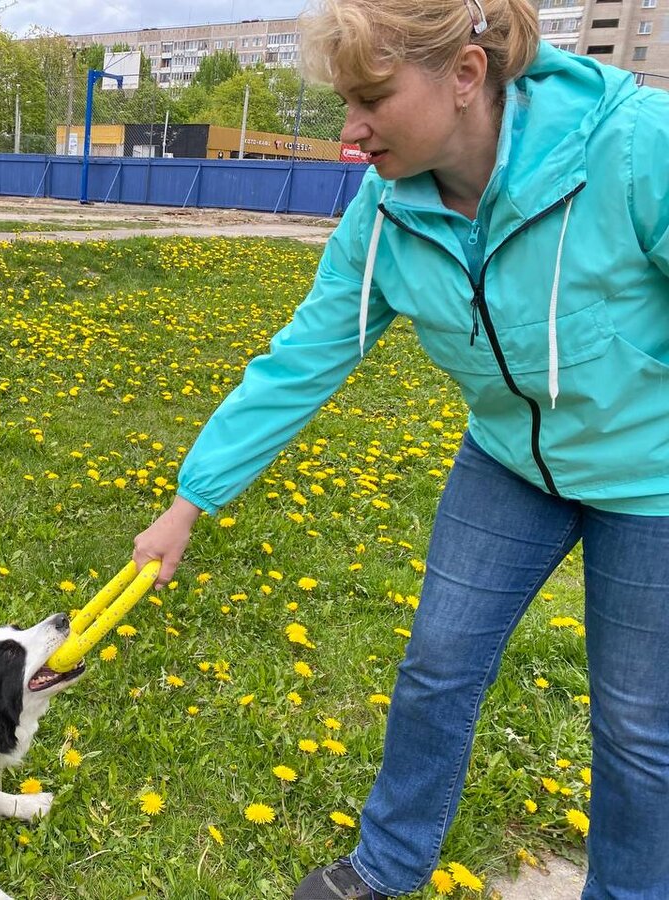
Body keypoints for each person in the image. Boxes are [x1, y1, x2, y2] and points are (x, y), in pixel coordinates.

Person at [131, 0, 669, 897]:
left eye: (370, 98)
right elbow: (300, 361)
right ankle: (383, 867)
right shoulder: (385, 215)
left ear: (464, 76)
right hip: (510, 463)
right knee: (436, 670)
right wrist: (189, 501)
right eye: (345, 101)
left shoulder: (633, 148)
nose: (350, 130)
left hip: (653, 475)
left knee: (639, 730)